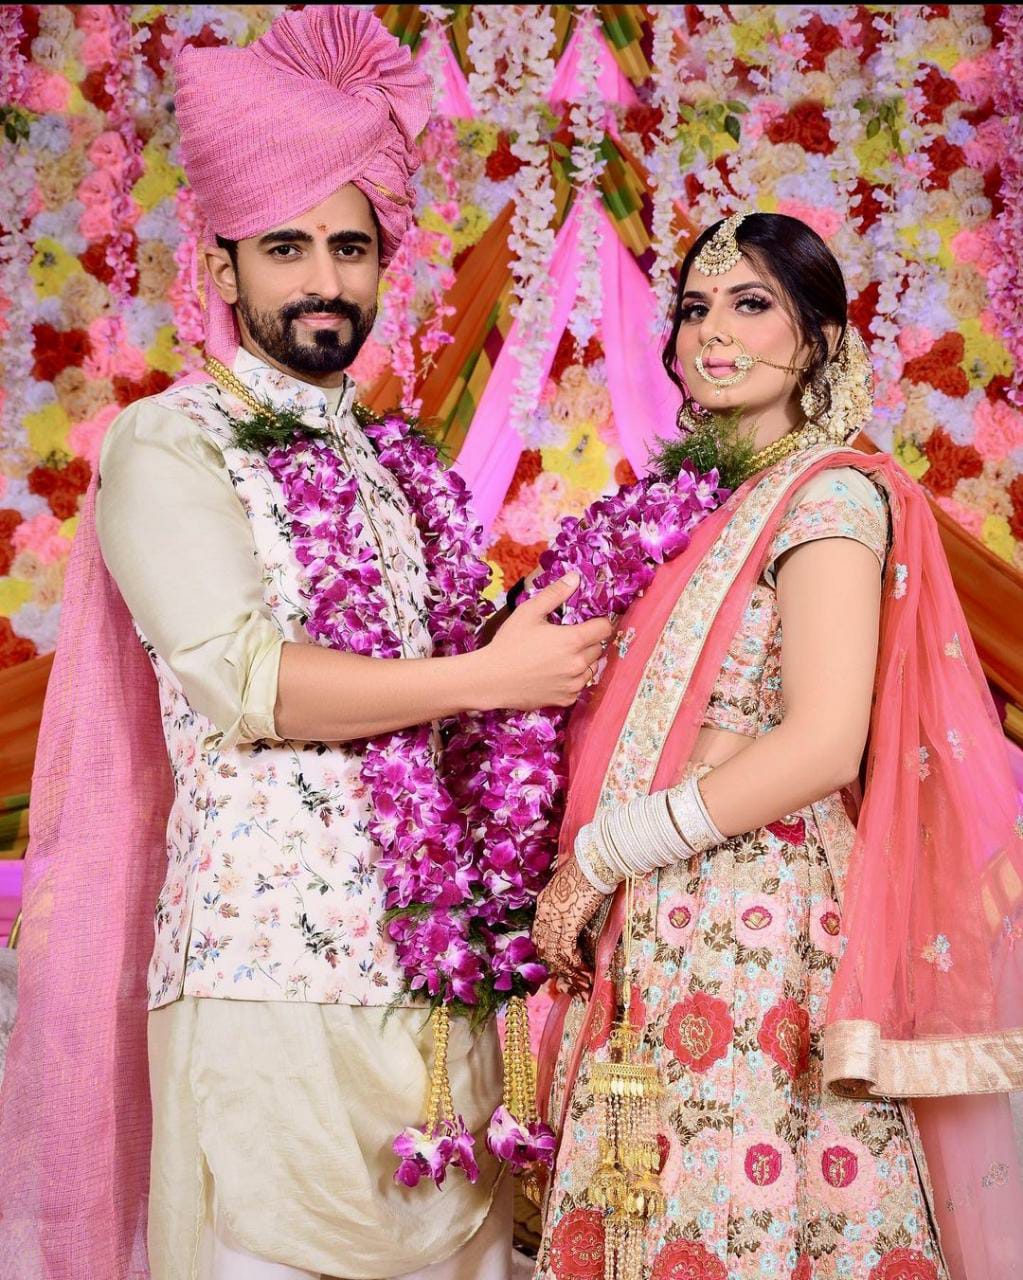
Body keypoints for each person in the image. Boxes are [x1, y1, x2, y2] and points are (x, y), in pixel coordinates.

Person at [0, 9, 612, 1280]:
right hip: (265, 976)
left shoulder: (395, 466)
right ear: (223, 267)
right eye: (286, 247)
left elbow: (452, 715)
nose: (324, 279)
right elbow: (247, 677)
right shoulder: (172, 442)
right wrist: (491, 675)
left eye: (351, 245)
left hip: (433, 991)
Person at [530, 212, 1023, 1280]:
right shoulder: (707, 507)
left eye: (751, 304)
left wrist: (603, 854)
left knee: (733, 1215)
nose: (713, 332)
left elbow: (822, 743)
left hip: (756, 928)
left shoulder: (829, 496)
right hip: (666, 915)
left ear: (820, 340)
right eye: (695, 308)